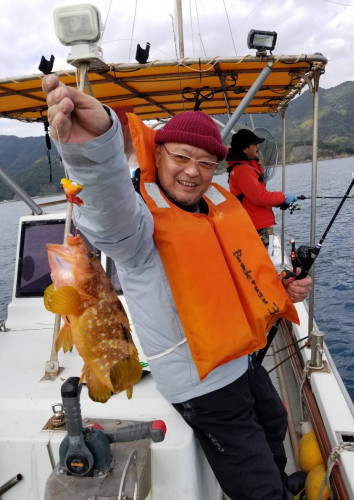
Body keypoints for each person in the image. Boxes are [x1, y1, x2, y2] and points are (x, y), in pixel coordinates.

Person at [43, 74, 312, 500]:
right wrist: (96, 151)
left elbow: (229, 279)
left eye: (207, 163)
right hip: (201, 385)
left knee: (275, 423)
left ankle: (281, 482)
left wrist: (283, 288)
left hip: (239, 360)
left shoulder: (211, 210)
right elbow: (109, 210)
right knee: (253, 480)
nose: (193, 171)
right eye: (182, 157)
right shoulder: (139, 230)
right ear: (159, 154)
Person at [227, 129, 298, 246]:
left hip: (254, 224)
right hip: (255, 227)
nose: (258, 148)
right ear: (245, 148)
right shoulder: (243, 170)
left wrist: (280, 202)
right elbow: (260, 198)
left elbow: (253, 196)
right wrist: (284, 196)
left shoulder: (243, 168)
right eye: (254, 144)